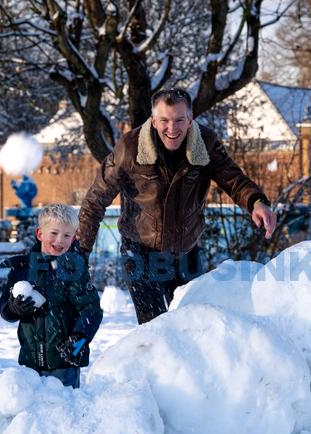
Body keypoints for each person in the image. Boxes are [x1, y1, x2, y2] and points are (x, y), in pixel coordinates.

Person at [78, 88, 277, 324]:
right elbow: (96, 198)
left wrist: (256, 201)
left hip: (186, 250)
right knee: (155, 327)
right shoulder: (129, 148)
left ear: (190, 119)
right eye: (164, 120)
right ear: (153, 120)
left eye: (179, 120)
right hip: (141, 250)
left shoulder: (205, 143)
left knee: (192, 324)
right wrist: (80, 250)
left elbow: (233, 179)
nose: (172, 129)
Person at [0, 204, 103, 389]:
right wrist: (14, 308)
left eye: (66, 235)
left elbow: (91, 309)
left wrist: (78, 340)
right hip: (30, 363)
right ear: (40, 234)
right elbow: (5, 311)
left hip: (65, 362)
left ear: (74, 237)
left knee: (63, 411)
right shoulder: (23, 269)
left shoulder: (74, 269)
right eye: (54, 233)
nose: (59, 240)